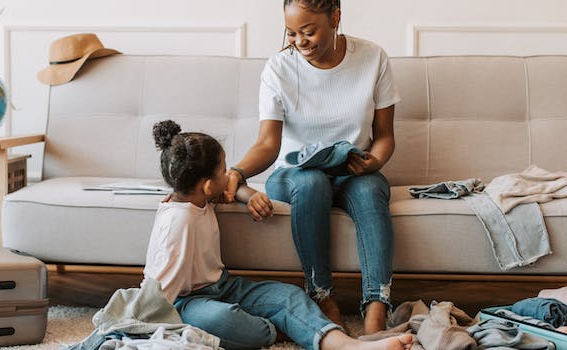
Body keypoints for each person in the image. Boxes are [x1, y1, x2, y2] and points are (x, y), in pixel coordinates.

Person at [145, 120, 412, 350]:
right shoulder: (176, 223)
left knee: (289, 296)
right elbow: (157, 293)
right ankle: (285, 329)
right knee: (223, 321)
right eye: (222, 169)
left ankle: (344, 344)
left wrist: (248, 195)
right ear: (205, 185)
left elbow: (231, 186)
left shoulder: (198, 196)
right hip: (186, 302)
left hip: (224, 286)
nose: (229, 174)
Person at [223, 0, 401, 335]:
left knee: (373, 186)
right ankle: (323, 298)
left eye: (308, 31)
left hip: (351, 171)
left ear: (335, 17)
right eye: (291, 33)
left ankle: (376, 313)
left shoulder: (373, 57)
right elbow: (267, 144)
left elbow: (385, 136)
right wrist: (237, 172)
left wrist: (372, 162)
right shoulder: (279, 68)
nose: (299, 41)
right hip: (294, 176)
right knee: (312, 183)